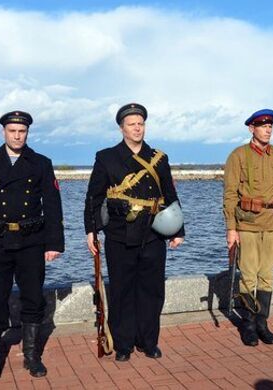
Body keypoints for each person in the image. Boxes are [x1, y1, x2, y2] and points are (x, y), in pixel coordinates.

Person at [0, 110, 64, 379]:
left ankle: (31, 356)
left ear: (27, 133)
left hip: (32, 239)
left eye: (22, 131)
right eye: (13, 131)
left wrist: (54, 243)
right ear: (3, 132)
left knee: (32, 297)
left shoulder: (41, 163)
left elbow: (53, 205)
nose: (18, 135)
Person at [84, 103, 185, 362]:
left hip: (152, 234)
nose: (137, 128)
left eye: (140, 124)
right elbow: (94, 198)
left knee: (152, 291)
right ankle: (124, 344)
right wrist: (91, 230)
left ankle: (148, 341)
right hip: (119, 234)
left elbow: (170, 194)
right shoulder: (105, 157)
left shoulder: (159, 158)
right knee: (121, 290)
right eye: (132, 124)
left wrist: (178, 230)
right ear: (122, 128)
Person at [223, 109, 273, 346]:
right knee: (248, 277)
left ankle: (262, 322)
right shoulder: (238, 156)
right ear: (251, 128)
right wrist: (231, 229)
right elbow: (230, 195)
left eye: (271, 126)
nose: (268, 129)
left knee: (266, 276)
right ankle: (248, 324)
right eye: (263, 126)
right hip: (248, 224)